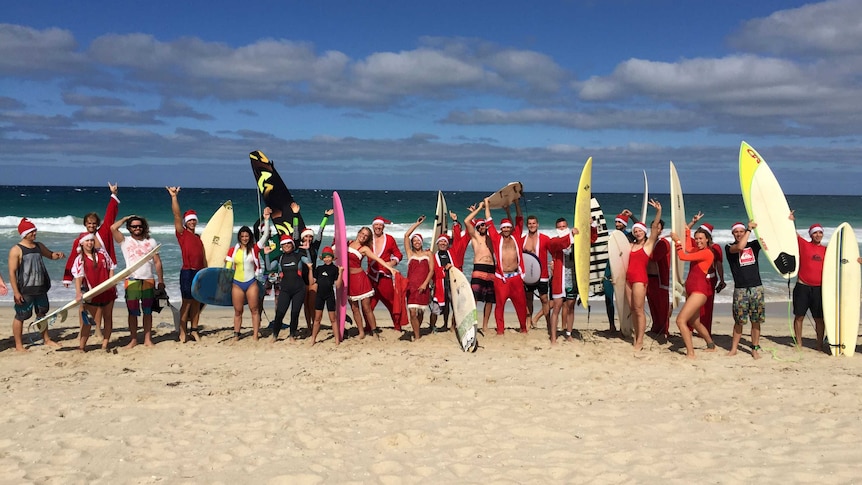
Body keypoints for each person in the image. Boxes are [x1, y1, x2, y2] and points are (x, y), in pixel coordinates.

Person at [63, 182, 120, 335]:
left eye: (94, 223)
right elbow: (73, 259)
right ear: (85, 224)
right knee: (84, 304)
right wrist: (68, 277)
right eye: (89, 223)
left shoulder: (104, 233)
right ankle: (84, 330)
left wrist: (113, 195)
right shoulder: (81, 240)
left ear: (97, 224)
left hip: (102, 274)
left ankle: (98, 330)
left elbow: (110, 216)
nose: (92, 225)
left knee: (101, 304)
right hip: (86, 276)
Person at [8, 218, 65, 351]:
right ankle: (18, 345)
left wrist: (58, 255)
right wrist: (16, 292)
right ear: (24, 233)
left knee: (42, 314)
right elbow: (12, 273)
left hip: (41, 288)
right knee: (21, 316)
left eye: (35, 230)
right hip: (25, 290)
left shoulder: (39, 246)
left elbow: (50, 255)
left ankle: (46, 339)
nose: (35, 233)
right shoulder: (16, 250)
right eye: (32, 231)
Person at [111, 215, 164, 348]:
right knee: (132, 312)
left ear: (143, 227)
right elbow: (112, 228)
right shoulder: (125, 241)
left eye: (139, 226)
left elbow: (157, 262)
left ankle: (147, 339)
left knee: (147, 311)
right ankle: (133, 339)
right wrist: (126, 218)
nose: (137, 228)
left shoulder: (151, 241)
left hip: (148, 279)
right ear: (129, 228)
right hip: (132, 280)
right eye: (134, 226)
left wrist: (161, 281)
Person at [224, 207, 271, 341]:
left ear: (249, 237)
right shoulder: (233, 251)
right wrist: (225, 283)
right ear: (239, 237)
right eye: (242, 236)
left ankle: (255, 335)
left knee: (254, 310)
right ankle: (236, 334)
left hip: (251, 283)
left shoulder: (255, 249)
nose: (245, 238)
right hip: (237, 284)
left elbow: (266, 234)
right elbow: (227, 269)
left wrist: (266, 220)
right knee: (238, 311)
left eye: (247, 236)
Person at [167, 186, 206, 343]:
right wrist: (174, 197)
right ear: (185, 222)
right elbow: (176, 215)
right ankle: (182, 331)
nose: (191, 222)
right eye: (189, 220)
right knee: (187, 302)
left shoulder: (198, 237)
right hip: (187, 272)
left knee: (197, 302)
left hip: (199, 272)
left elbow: (204, 256)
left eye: (193, 219)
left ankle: (194, 330)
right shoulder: (181, 233)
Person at [671, 226, 717, 359]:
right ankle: (711, 345)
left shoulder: (707, 253)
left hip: (699, 291)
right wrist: (687, 231)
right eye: (696, 239)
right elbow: (688, 248)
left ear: (707, 240)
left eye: (701, 238)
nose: (698, 241)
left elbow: (683, 256)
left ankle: (690, 353)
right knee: (695, 322)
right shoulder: (697, 251)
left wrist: (677, 242)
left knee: (680, 321)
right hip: (692, 291)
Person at [484, 198, 529, 334]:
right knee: (500, 306)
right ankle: (500, 331)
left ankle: (523, 328)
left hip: (515, 277)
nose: (506, 229)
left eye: (508, 227)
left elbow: (520, 219)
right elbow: (489, 222)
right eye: (504, 228)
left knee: (521, 305)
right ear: (501, 229)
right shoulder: (497, 239)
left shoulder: (516, 237)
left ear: (511, 228)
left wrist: (516, 203)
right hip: (501, 279)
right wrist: (487, 205)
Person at [547, 218, 593, 343]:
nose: (562, 228)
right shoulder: (554, 241)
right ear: (557, 228)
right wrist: (571, 235)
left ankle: (568, 333)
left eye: (564, 226)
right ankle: (553, 337)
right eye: (560, 227)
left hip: (573, 279)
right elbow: (560, 243)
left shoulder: (575, 241)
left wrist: (589, 225)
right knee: (556, 308)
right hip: (559, 280)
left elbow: (591, 239)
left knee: (571, 307)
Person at [348, 227, 400, 339]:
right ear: (358, 233)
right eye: (362, 233)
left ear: (368, 238)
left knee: (366, 307)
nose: (363, 236)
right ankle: (361, 332)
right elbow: (337, 253)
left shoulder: (364, 248)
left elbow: (377, 259)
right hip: (349, 280)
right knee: (354, 308)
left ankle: (374, 330)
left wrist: (389, 268)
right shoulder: (349, 243)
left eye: (366, 235)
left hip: (360, 279)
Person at [625, 199, 662, 351]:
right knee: (632, 309)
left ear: (644, 232)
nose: (637, 232)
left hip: (640, 279)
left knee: (639, 309)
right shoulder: (630, 244)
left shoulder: (648, 245)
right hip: (627, 279)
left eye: (640, 230)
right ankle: (636, 335)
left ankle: (640, 340)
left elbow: (654, 228)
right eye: (635, 231)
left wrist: (658, 211)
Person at [71, 234, 117, 351]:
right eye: (87, 241)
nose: (90, 243)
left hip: (108, 291)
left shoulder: (102, 253)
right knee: (88, 322)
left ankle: (105, 345)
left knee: (108, 318)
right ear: (82, 243)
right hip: (92, 293)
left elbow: (111, 267)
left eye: (92, 240)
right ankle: (82, 347)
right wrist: (78, 293)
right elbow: (79, 278)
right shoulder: (80, 259)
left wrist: (111, 282)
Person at [725, 221, 764, 359]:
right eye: (737, 232)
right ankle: (734, 348)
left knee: (756, 320)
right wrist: (749, 229)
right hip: (740, 289)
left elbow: (771, 237)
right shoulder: (729, 247)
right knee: (739, 321)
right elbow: (741, 247)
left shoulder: (753, 245)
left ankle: (754, 348)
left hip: (756, 287)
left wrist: (787, 221)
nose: (739, 234)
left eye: (741, 231)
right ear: (732, 233)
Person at [790, 217, 827, 350]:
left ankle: (819, 344)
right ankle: (799, 343)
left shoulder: (827, 250)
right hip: (802, 286)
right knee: (799, 316)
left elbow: (842, 259)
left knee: (819, 319)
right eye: (815, 233)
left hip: (819, 289)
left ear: (822, 234)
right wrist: (790, 220)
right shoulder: (804, 245)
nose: (818, 235)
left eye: (820, 233)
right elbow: (791, 233)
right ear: (811, 234)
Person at [687, 214, 726, 335]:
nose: (699, 240)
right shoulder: (696, 244)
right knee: (691, 304)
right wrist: (692, 222)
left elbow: (718, 264)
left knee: (707, 307)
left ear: (707, 237)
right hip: (694, 278)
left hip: (709, 279)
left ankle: (704, 331)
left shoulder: (715, 248)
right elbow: (685, 234)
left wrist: (722, 279)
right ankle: (690, 328)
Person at [268, 234, 309, 342]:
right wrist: (267, 255)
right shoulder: (280, 258)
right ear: (281, 246)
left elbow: (309, 262)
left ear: (292, 244)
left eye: (288, 243)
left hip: (299, 289)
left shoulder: (298, 256)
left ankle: (292, 335)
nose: (286, 245)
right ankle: (275, 335)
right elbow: (269, 267)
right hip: (285, 290)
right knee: (280, 313)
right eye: (284, 244)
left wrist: (307, 250)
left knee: (295, 313)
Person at [300, 208, 333, 333]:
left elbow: (320, 232)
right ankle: (309, 326)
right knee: (305, 305)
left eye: (310, 236)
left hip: (312, 278)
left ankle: (315, 325)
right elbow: (297, 232)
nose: (308, 238)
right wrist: (296, 214)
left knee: (312, 304)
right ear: (303, 238)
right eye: (306, 236)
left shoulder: (314, 246)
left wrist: (326, 217)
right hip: (301, 280)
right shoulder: (299, 246)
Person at [464, 202, 496, 332]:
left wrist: (486, 208)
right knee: (475, 297)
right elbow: (467, 221)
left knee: (489, 299)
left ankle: (485, 325)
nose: (482, 226)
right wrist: (478, 209)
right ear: (477, 227)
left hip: (491, 269)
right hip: (479, 268)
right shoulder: (475, 237)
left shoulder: (492, 237)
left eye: (484, 224)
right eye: (480, 225)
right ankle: (472, 323)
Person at [367, 216, 404, 329]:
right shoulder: (367, 239)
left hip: (384, 278)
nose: (378, 227)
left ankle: (397, 326)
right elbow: (357, 250)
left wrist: (391, 264)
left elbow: (398, 255)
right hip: (371, 277)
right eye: (376, 225)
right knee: (368, 305)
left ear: (383, 227)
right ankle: (369, 327)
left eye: (380, 225)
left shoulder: (390, 239)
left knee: (391, 303)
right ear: (373, 226)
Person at [404, 216, 433, 340]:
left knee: (421, 312)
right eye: (414, 241)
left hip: (424, 286)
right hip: (411, 287)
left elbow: (431, 270)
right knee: (412, 312)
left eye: (418, 240)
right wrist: (417, 223)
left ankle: (417, 329)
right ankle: (417, 336)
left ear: (422, 242)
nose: (416, 242)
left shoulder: (428, 254)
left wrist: (425, 284)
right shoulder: (410, 254)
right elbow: (406, 236)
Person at [309, 246, 343, 346]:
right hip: (319, 295)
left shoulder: (335, 269)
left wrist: (341, 273)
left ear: (332, 258)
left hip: (329, 296)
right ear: (322, 258)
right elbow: (311, 282)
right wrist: (310, 269)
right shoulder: (319, 269)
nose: (327, 259)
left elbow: (338, 285)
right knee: (317, 319)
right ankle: (313, 339)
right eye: (325, 257)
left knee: (333, 319)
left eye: (329, 257)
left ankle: (337, 339)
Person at [522, 215, 552, 330]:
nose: (532, 225)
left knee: (544, 299)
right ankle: (529, 322)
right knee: (528, 299)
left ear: (537, 224)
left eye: (534, 223)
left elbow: (553, 251)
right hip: (528, 275)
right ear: (527, 225)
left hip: (542, 274)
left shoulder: (545, 238)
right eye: (529, 223)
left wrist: (553, 263)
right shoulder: (523, 240)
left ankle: (549, 324)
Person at [647, 219, 671, 337]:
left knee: (662, 306)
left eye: (658, 227)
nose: (655, 229)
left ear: (661, 230)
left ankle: (663, 330)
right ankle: (656, 327)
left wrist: (643, 250)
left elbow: (653, 257)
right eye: (653, 227)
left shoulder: (663, 243)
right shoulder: (648, 242)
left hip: (659, 279)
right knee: (652, 305)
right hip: (648, 278)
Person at [430, 234, 455, 332]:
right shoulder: (433, 257)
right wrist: (444, 269)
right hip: (439, 284)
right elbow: (433, 270)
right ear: (437, 243)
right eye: (441, 241)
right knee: (436, 308)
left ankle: (448, 325)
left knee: (451, 306)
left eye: (445, 241)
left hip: (452, 283)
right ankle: (432, 326)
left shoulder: (451, 254)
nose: (443, 243)